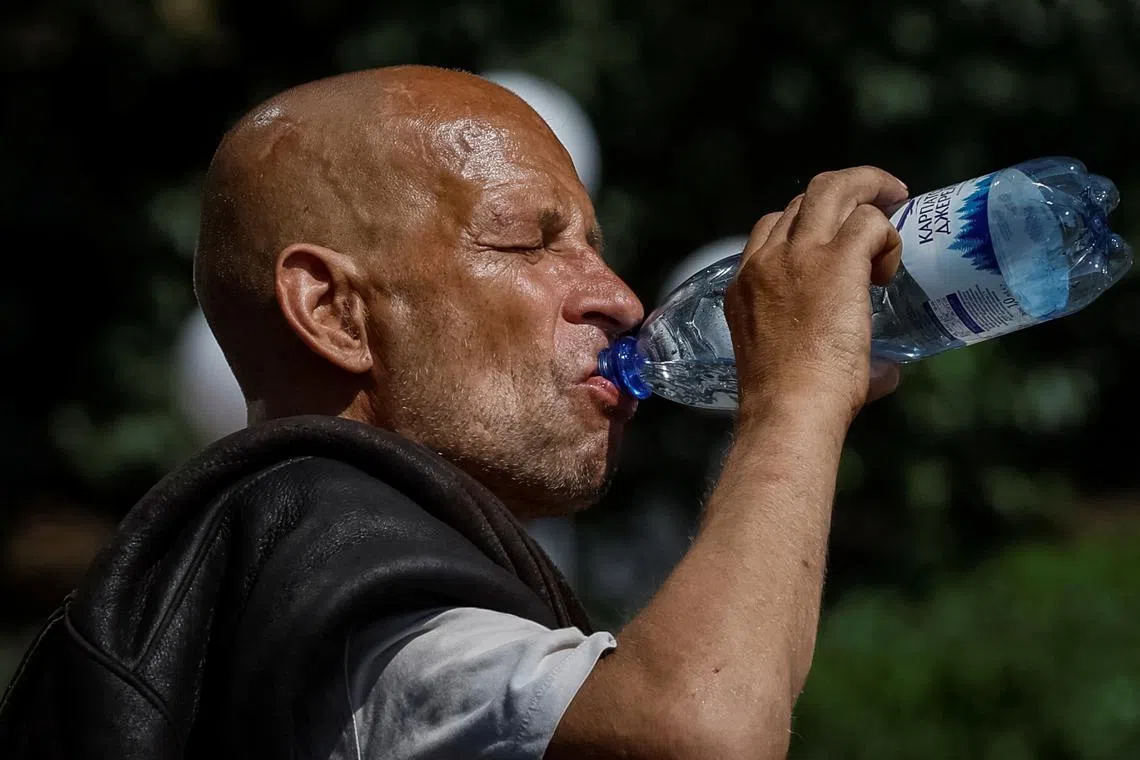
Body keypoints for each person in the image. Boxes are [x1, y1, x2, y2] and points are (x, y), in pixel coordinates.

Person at [0, 65, 905, 760]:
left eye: (595, 249)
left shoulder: (301, 565)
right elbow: (699, 731)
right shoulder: (325, 561)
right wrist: (795, 402)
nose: (621, 300)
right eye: (529, 241)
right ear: (333, 311)